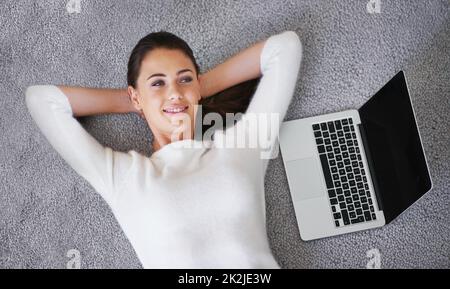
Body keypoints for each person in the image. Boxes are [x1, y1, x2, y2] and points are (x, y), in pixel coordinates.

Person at [25, 30, 303, 269]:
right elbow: (41, 100)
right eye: (157, 83)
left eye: (184, 79)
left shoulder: (239, 148)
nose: (173, 92)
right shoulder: (124, 177)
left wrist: (192, 90)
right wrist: (139, 103)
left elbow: (285, 47)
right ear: (135, 95)